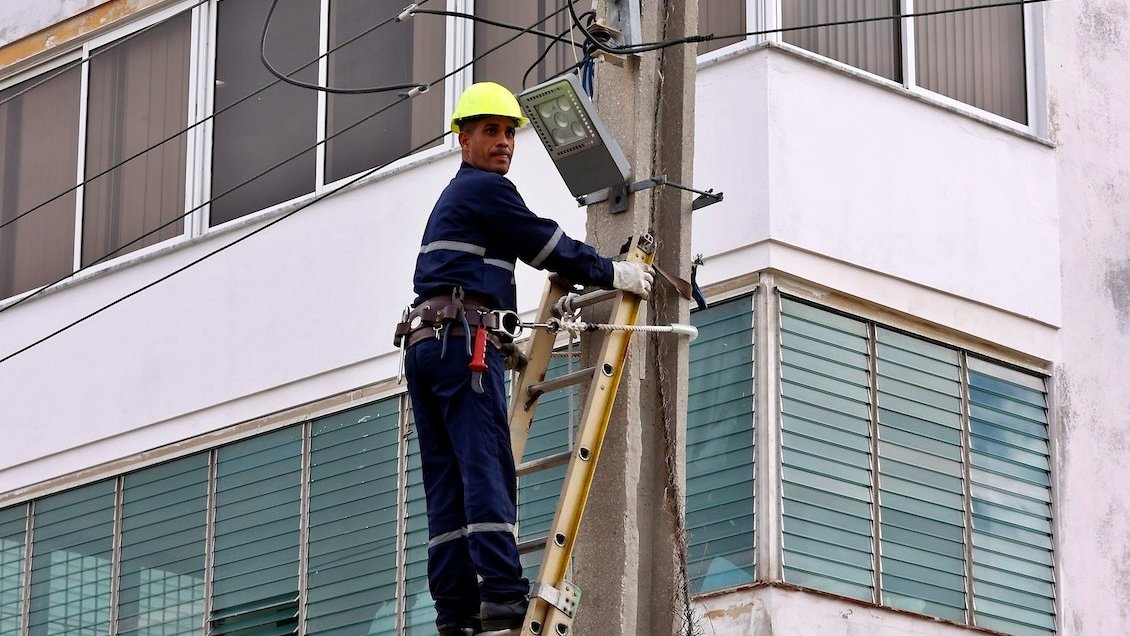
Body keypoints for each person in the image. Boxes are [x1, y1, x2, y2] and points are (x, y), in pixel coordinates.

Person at [396, 81, 652, 636]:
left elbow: (468, 273)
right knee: (485, 464)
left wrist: (503, 340)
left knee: (447, 481)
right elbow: (547, 246)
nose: (503, 142)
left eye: (510, 133)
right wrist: (613, 272)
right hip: (462, 343)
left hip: (427, 343)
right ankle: (503, 594)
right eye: (491, 131)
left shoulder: (456, 199)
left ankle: (456, 613)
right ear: (464, 140)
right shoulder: (485, 189)